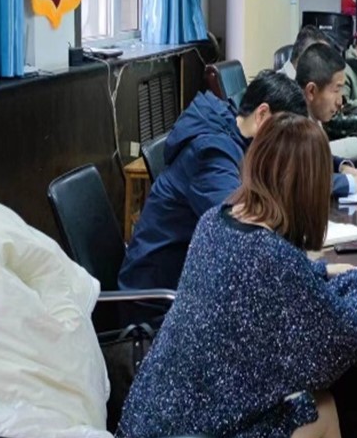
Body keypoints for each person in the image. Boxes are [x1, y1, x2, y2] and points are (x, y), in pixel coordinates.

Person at [119, 114, 357, 438]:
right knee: (323, 408)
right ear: (311, 188)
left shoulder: (214, 220)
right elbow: (346, 335)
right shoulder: (272, 258)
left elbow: (264, 277)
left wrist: (321, 271)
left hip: (147, 428)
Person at [119, 70, 308, 291]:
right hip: (156, 295)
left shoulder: (234, 132)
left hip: (194, 282)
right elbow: (241, 233)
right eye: (286, 136)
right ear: (262, 114)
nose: (287, 149)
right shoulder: (210, 152)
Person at [295, 43, 357, 185]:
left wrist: (343, 168)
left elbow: (321, 156)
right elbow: (307, 179)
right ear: (311, 91)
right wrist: (352, 183)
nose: (340, 101)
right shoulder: (292, 127)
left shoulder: (313, 115)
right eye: (336, 90)